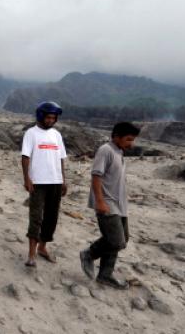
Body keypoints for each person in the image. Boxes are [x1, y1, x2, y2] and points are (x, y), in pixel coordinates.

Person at [79, 121, 141, 289]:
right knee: (116, 241)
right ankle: (89, 254)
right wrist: (99, 201)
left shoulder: (119, 152)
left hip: (120, 205)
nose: (131, 143)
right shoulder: (106, 150)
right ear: (116, 136)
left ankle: (105, 275)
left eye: (132, 140)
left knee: (122, 240)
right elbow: (96, 176)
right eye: (128, 139)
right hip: (107, 203)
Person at [21, 101, 68, 267]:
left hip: (55, 181)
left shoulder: (56, 135)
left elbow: (61, 158)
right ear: (41, 116)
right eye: (48, 117)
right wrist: (27, 179)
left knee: (51, 217)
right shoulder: (31, 133)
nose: (51, 120)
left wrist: (63, 179)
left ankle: (43, 247)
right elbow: (25, 157)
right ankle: (31, 254)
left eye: (53, 118)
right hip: (38, 182)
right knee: (36, 217)